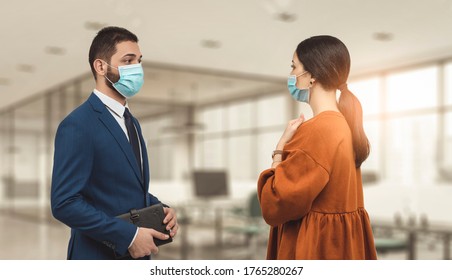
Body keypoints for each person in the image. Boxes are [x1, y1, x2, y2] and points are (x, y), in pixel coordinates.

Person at [51, 26, 179, 260]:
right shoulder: (78, 124)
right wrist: (128, 237)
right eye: (128, 60)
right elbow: (64, 203)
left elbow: (126, 187)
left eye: (139, 61)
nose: (137, 69)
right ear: (101, 67)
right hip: (98, 256)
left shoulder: (132, 122)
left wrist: (161, 208)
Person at [257, 35, 377, 260]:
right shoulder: (344, 125)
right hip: (340, 249)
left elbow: (275, 204)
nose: (292, 75)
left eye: (294, 67)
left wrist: (279, 150)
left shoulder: (317, 131)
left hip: (314, 249)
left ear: (311, 76)